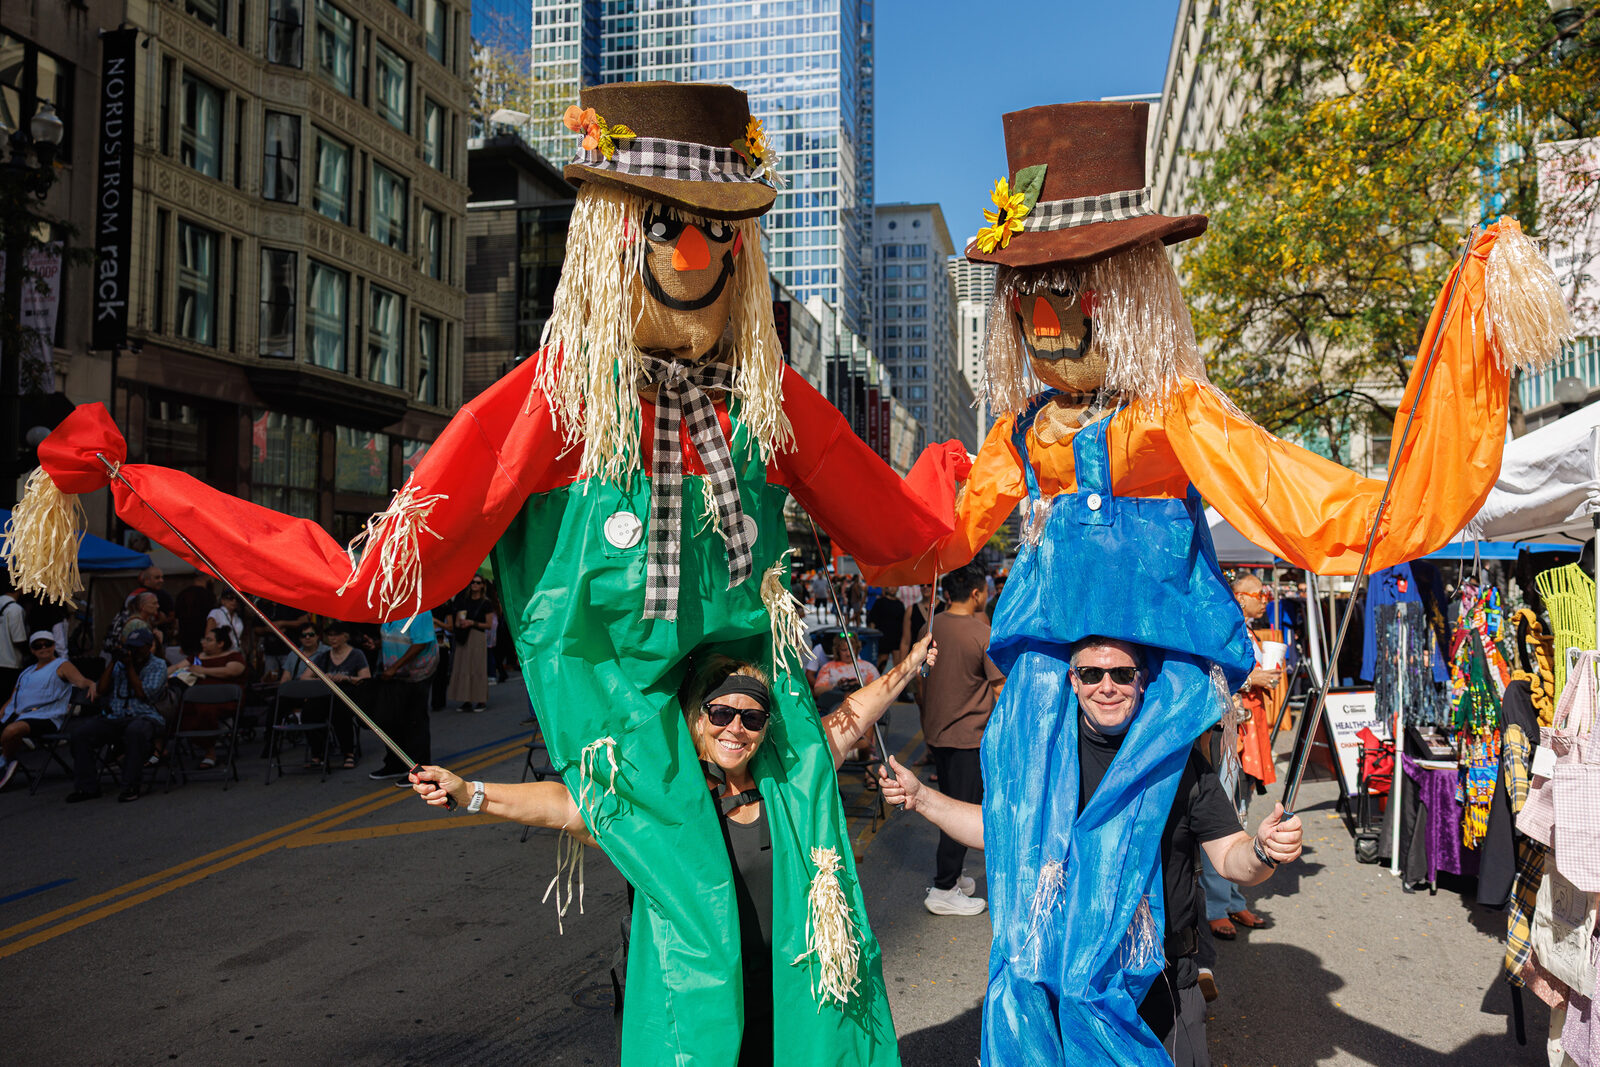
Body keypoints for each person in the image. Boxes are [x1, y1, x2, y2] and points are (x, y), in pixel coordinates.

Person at [408, 632, 937, 1066]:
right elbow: (568, 805)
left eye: (752, 718)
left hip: (788, 993)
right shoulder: (669, 799)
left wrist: (909, 664)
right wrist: (471, 792)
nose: (736, 729)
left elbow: (851, 717)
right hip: (700, 1001)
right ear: (696, 716)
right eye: (721, 713)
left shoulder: (788, 783)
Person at [881, 635, 1304, 1066]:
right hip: (1062, 977)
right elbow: (1001, 833)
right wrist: (923, 799)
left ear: (1142, 679)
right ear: (1073, 679)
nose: (1106, 687)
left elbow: (1231, 856)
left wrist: (1264, 850)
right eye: (1090, 674)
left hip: (1159, 977)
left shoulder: (1176, 762)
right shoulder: (1046, 760)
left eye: (1122, 674)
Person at [1202, 574, 1285, 942]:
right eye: (1259, 593)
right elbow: (1213, 675)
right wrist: (1253, 680)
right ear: (1238, 596)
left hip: (1248, 734)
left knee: (1241, 815)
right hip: (1226, 734)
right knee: (1221, 819)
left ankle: (1233, 899)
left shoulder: (1247, 631)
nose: (1265, 600)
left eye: (1267, 593)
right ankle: (1216, 906)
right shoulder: (1220, 627)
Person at [917, 562, 1003, 916]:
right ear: (976, 593)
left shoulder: (930, 626)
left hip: (938, 731)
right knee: (960, 809)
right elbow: (1000, 688)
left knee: (952, 801)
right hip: (969, 736)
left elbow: (919, 680)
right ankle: (944, 887)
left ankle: (954, 876)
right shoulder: (982, 632)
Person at [67, 628, 168, 803]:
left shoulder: (158, 665)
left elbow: (143, 694)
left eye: (138, 647)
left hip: (145, 716)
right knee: (80, 734)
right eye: (131, 647)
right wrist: (113, 662)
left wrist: (129, 667)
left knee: (135, 732)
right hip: (115, 716)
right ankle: (87, 787)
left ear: (148, 646)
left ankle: (130, 786)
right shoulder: (120, 663)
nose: (134, 651)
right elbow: (101, 690)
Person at [0, 632, 98, 791]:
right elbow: (13, 698)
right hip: (20, 715)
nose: (43, 648)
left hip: (46, 717)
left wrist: (90, 684)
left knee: (12, 731)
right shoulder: (27, 671)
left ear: (54, 646)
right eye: (38, 645)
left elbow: (80, 681)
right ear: (32, 650)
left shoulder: (61, 665)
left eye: (47, 644)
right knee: (10, 729)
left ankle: (4, 760)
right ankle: (9, 756)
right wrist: (2, 712)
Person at [362, 611, 437, 781]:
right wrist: (377, 644)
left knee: (415, 722)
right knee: (392, 720)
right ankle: (396, 764)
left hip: (417, 674)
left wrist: (394, 667)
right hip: (395, 675)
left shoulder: (420, 611)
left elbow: (420, 643)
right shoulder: (390, 610)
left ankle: (421, 771)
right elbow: (394, 637)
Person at [177, 626, 247, 769]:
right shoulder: (198, 657)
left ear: (220, 643)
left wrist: (204, 670)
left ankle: (210, 752)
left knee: (205, 710)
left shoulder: (233, 656)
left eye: (209, 640)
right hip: (199, 697)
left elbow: (231, 671)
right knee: (182, 710)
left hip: (223, 699)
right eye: (204, 639)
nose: (203, 642)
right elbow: (178, 667)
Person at [306, 622, 370, 769]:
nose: (332, 638)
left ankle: (348, 752)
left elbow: (366, 678)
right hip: (326, 695)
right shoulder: (323, 657)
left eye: (336, 635)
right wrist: (323, 678)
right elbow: (305, 677)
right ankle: (318, 752)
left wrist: (347, 678)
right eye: (330, 635)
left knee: (339, 710)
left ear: (345, 636)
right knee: (309, 711)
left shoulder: (356, 654)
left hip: (347, 696)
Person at [447, 576, 494, 712]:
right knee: (463, 667)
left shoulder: (486, 603)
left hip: (478, 636)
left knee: (478, 668)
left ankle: (481, 700)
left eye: (478, 582)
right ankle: (466, 700)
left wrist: (472, 623)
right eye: (472, 582)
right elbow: (457, 621)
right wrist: (460, 623)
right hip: (464, 636)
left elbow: (489, 625)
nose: (474, 584)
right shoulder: (464, 601)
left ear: (482, 585)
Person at [0, 579, 30, 707]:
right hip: (10, 665)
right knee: (6, 702)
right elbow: (19, 640)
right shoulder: (15, 610)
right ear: (19, 587)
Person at [174, 573, 216, 657]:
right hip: (201, 638)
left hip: (186, 639)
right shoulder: (209, 596)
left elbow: (177, 620)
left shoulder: (182, 594)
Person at [866, 586, 906, 672]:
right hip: (883, 638)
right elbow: (872, 620)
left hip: (897, 638)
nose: (892, 588)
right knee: (881, 664)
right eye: (890, 586)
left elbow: (903, 622)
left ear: (897, 588)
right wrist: (873, 636)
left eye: (894, 587)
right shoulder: (880, 602)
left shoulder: (900, 604)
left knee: (898, 666)